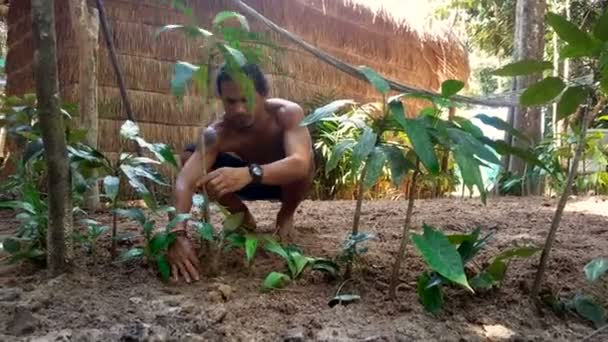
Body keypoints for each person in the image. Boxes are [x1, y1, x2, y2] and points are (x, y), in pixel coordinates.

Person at [167, 63, 315, 283]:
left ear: (263, 95)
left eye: (246, 99)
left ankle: (285, 215)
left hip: (284, 181)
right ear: (222, 99)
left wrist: (249, 173)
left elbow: (300, 163)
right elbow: (185, 181)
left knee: (307, 161)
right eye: (230, 101)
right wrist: (176, 234)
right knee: (191, 159)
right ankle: (241, 215)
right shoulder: (218, 133)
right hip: (245, 180)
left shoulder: (287, 113)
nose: (238, 109)